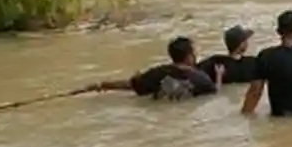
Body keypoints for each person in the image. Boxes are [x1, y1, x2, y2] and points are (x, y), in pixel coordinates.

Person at [88, 36, 224, 101]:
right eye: (194, 53)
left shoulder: (157, 72)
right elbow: (215, 92)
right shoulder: (200, 77)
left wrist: (103, 85)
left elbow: (129, 85)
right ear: (189, 57)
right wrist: (219, 75)